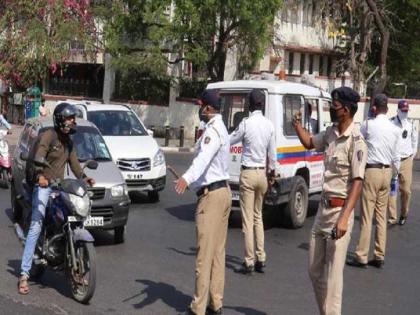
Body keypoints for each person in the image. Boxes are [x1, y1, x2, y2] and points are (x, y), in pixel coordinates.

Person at [293, 86, 367, 315]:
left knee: (334, 278)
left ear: (345, 110)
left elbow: (357, 181)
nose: (331, 110)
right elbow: (308, 143)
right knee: (315, 271)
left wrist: (345, 218)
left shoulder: (357, 141)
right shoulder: (330, 132)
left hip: (339, 214)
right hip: (321, 214)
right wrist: (296, 125)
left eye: (334, 106)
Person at [18, 103, 95, 295]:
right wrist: (40, 177)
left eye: (73, 119)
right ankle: (24, 274)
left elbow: (75, 165)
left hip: (60, 186)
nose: (73, 122)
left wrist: (84, 179)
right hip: (43, 184)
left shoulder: (68, 143)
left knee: (72, 215)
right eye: (70, 118)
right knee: (36, 224)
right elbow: (38, 157)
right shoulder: (48, 136)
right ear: (61, 119)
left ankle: (67, 254)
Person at [175, 89, 231, 315]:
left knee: (204, 255)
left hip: (212, 198)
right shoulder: (220, 127)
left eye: (201, 106)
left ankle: (198, 308)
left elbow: (203, 159)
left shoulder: (213, 131)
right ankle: (215, 303)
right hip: (223, 193)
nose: (199, 110)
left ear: (208, 108)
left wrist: (185, 180)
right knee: (218, 253)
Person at [346, 94, 400, 269]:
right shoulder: (394, 129)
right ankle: (379, 254)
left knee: (366, 216)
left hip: (372, 170)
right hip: (387, 171)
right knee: (381, 216)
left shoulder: (368, 125)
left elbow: (356, 142)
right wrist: (394, 175)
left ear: (374, 107)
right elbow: (397, 157)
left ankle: (361, 255)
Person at [229, 89, 276, 275]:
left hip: (248, 174)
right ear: (262, 104)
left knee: (247, 220)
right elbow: (272, 155)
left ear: (249, 104)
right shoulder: (269, 126)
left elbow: (231, 140)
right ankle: (261, 258)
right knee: (258, 217)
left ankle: (248, 261)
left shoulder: (246, 124)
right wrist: (272, 174)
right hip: (262, 175)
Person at [388, 100, 418, 226]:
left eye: (406, 111)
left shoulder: (411, 125)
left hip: (406, 160)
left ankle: (404, 213)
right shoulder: (390, 123)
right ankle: (392, 216)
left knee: (406, 190)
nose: (404, 113)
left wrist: (412, 156)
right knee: (392, 189)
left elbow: (414, 142)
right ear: (398, 110)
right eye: (402, 111)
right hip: (393, 160)